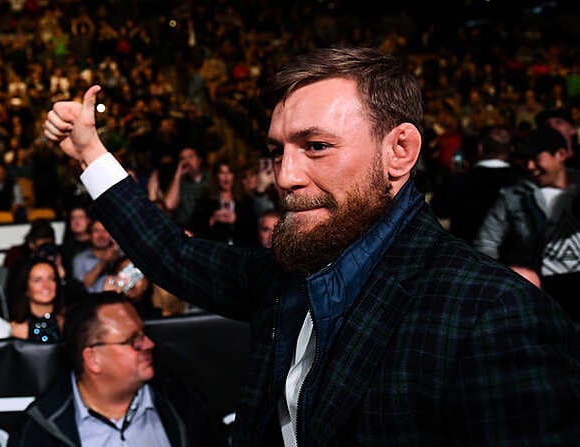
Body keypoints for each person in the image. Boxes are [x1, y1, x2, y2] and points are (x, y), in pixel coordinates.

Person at [44, 47, 579, 445]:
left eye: (316, 146)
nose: (287, 175)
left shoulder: (492, 313)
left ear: (400, 151)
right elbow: (173, 255)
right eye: (278, 151)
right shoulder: (289, 274)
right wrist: (89, 153)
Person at [7, 292, 225, 447]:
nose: (149, 344)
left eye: (145, 334)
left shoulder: (182, 404)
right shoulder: (40, 429)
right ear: (93, 359)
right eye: (133, 340)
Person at [475, 127, 580, 316]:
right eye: (527, 160)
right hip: (539, 293)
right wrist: (509, 278)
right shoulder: (513, 196)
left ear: (561, 154)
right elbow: (486, 244)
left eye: (537, 158)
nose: (530, 166)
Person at [429, 125, 523, 244]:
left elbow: (439, 210)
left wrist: (450, 178)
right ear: (511, 149)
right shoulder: (522, 183)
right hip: (506, 257)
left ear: (480, 148)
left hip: (465, 253)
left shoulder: (461, 180)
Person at [9, 259, 64, 344]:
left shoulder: (68, 323)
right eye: (37, 280)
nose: (46, 285)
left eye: (51, 279)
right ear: (26, 287)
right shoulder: (16, 330)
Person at [71, 220, 122, 293]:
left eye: (105, 230)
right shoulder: (80, 258)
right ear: (89, 235)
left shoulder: (121, 255)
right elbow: (82, 286)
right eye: (96, 231)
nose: (101, 235)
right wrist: (104, 261)